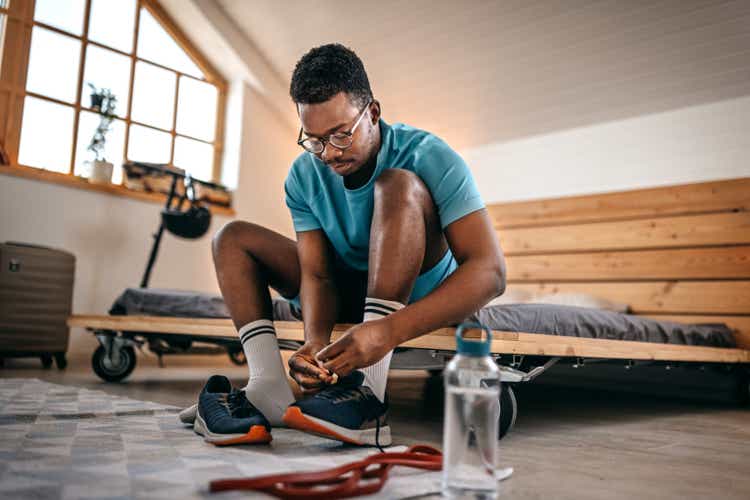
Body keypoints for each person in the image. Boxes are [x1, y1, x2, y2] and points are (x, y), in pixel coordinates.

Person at [199, 43, 506, 447]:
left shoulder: (430, 155)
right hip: (349, 290)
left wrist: (387, 331)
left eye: (341, 134)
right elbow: (317, 272)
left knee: (396, 185)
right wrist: (314, 340)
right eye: (314, 140)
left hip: (417, 297)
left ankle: (368, 396)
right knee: (231, 238)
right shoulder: (302, 176)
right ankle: (266, 387)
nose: (328, 153)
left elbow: (491, 272)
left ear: (372, 114)